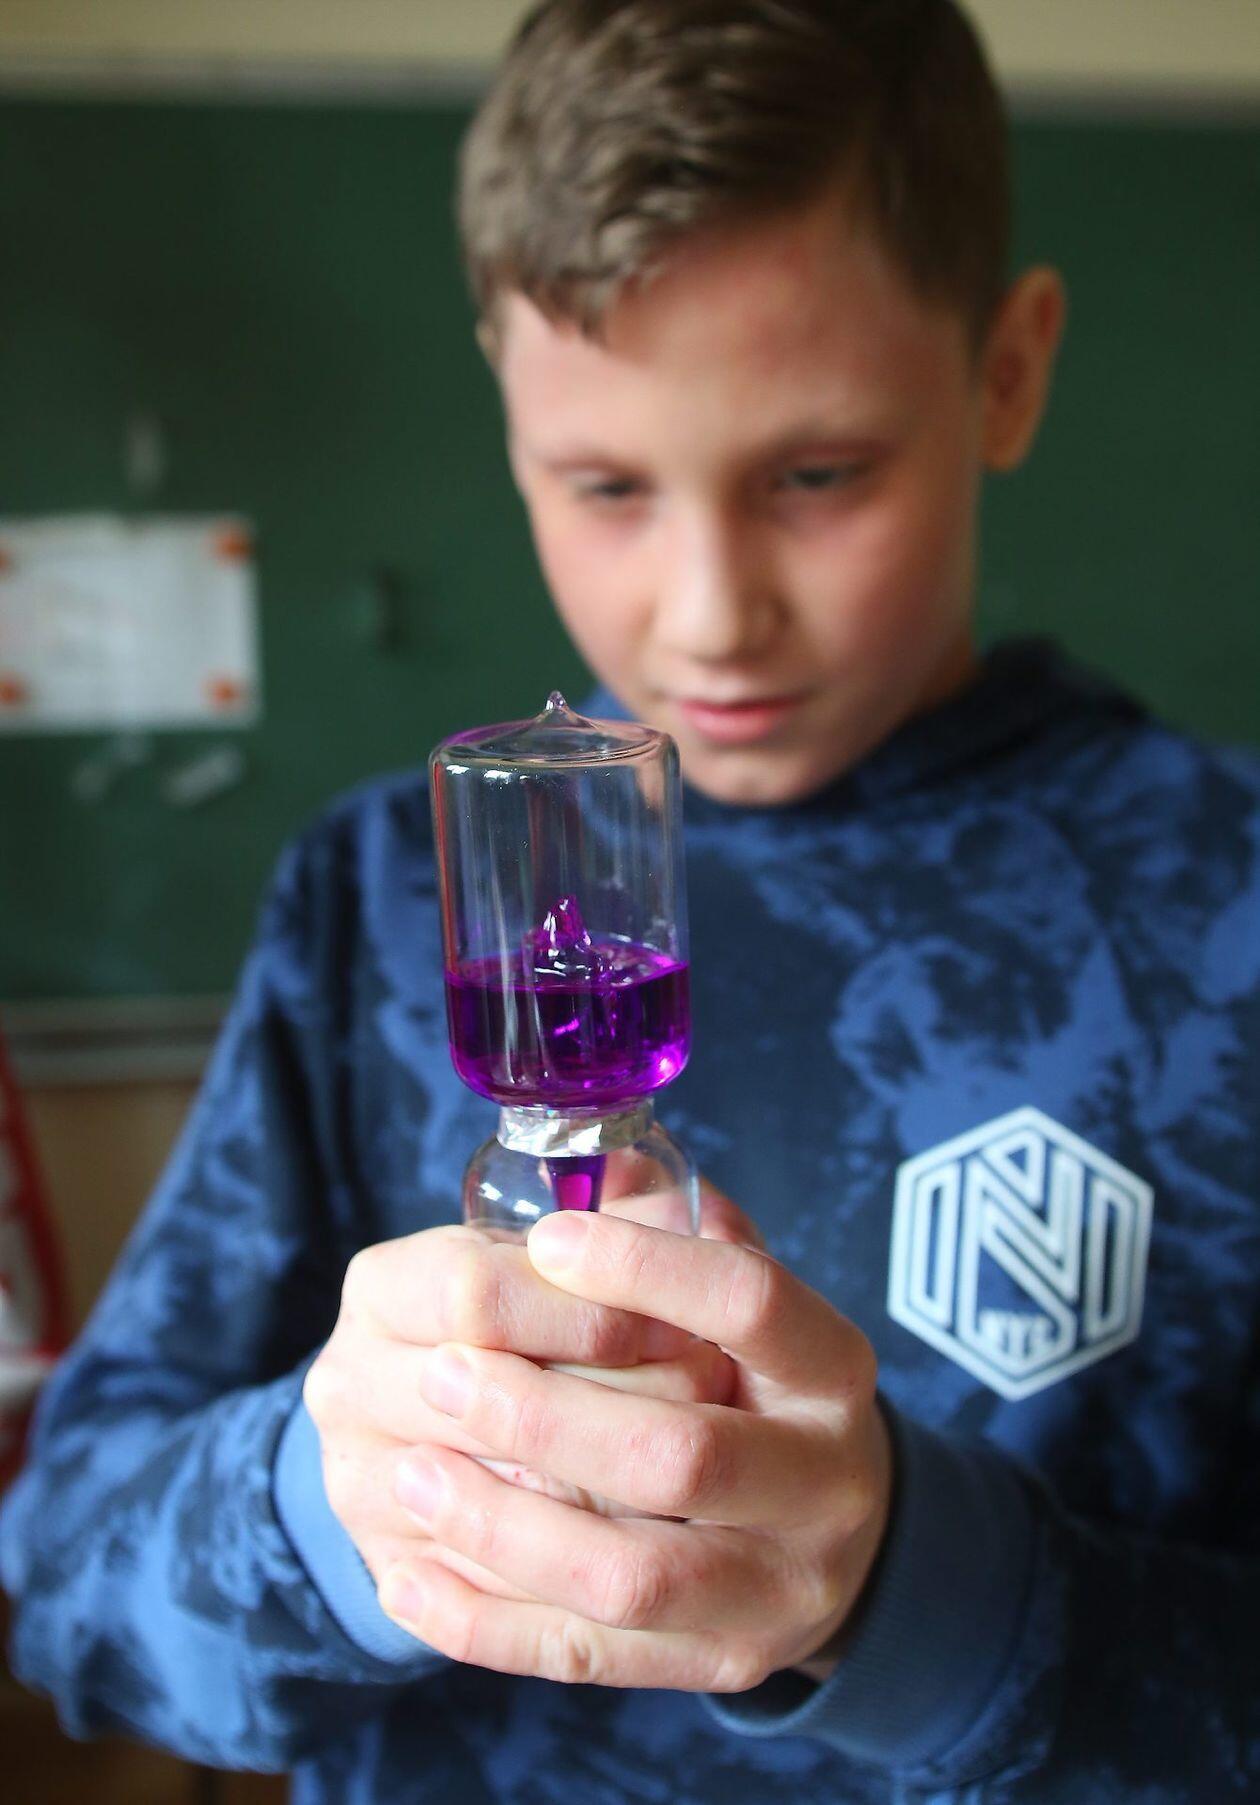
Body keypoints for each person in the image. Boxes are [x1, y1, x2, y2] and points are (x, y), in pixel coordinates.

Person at [3, 2, 1258, 1799]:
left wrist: (918, 1598)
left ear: (1006, 368)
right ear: (507, 401)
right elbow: (66, 1583)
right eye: (604, 485)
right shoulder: (378, 898)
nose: (709, 613)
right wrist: (339, 1500)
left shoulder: (1219, 902)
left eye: (817, 475)